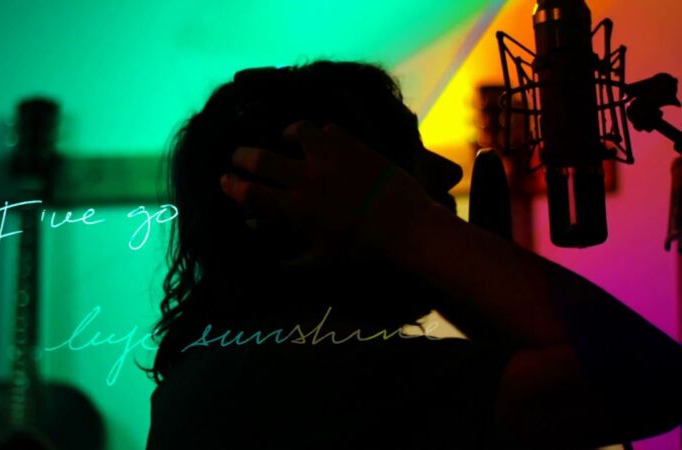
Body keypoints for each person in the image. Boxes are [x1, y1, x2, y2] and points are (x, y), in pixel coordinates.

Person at [142, 60, 682, 449]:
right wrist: (409, 224)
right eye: (393, 167)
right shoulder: (297, 378)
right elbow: (652, 380)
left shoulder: (232, 368)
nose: (448, 171)